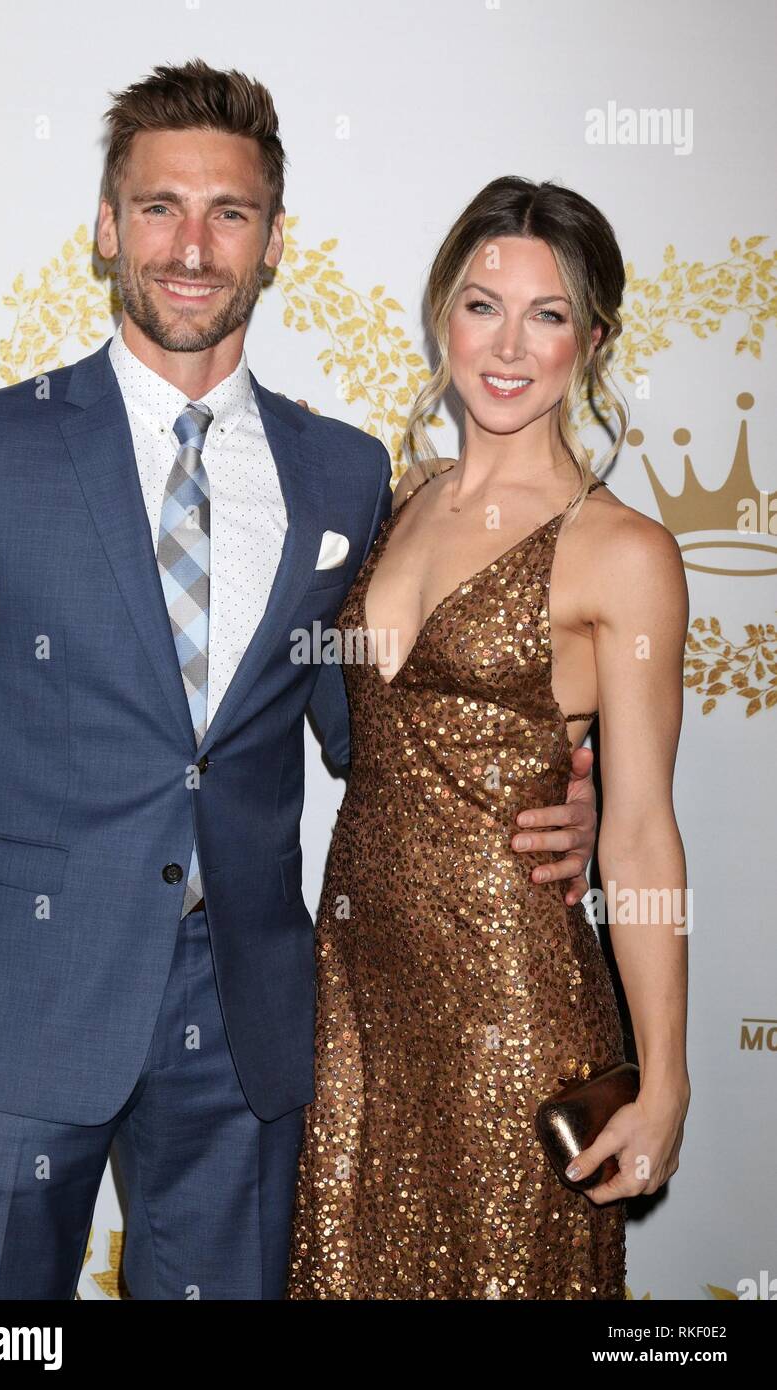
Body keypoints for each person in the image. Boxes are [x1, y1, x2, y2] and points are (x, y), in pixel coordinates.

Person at [0, 63, 599, 1299]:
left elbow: (374, 729)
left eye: (227, 212)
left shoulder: (340, 473)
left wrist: (548, 792)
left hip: (246, 1028)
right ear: (106, 227)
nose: (190, 245)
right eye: (158, 206)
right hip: (13, 1019)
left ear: (272, 241)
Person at [287, 176, 691, 1300]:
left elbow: (644, 836)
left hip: (509, 1010)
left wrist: (663, 1082)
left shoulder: (620, 551)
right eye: (480, 305)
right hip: (357, 993)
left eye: (547, 314)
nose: (506, 345)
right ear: (440, 314)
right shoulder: (397, 495)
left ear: (592, 340)